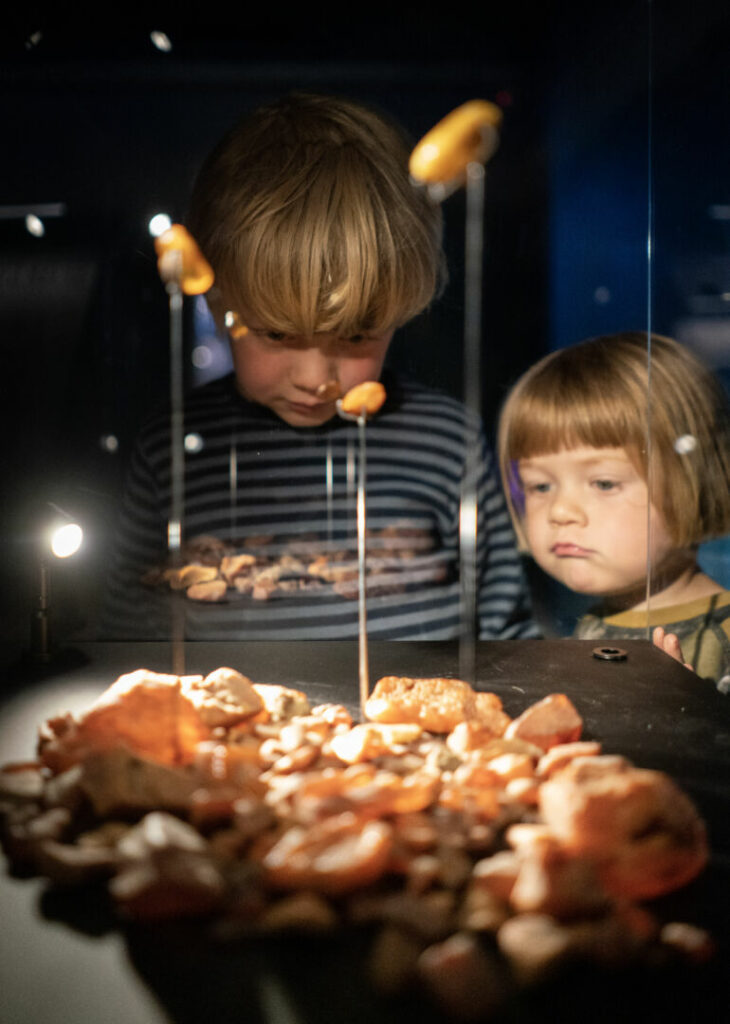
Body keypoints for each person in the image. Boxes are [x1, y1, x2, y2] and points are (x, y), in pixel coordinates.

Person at [101, 92, 537, 641]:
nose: (314, 378)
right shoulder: (172, 446)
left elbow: (508, 638)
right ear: (217, 305)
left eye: (356, 334)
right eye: (276, 333)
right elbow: (122, 643)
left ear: (401, 311)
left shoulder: (449, 440)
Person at [497, 330, 730, 688]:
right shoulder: (591, 626)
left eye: (604, 483)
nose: (560, 511)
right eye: (540, 486)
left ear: (695, 481)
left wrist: (695, 712)